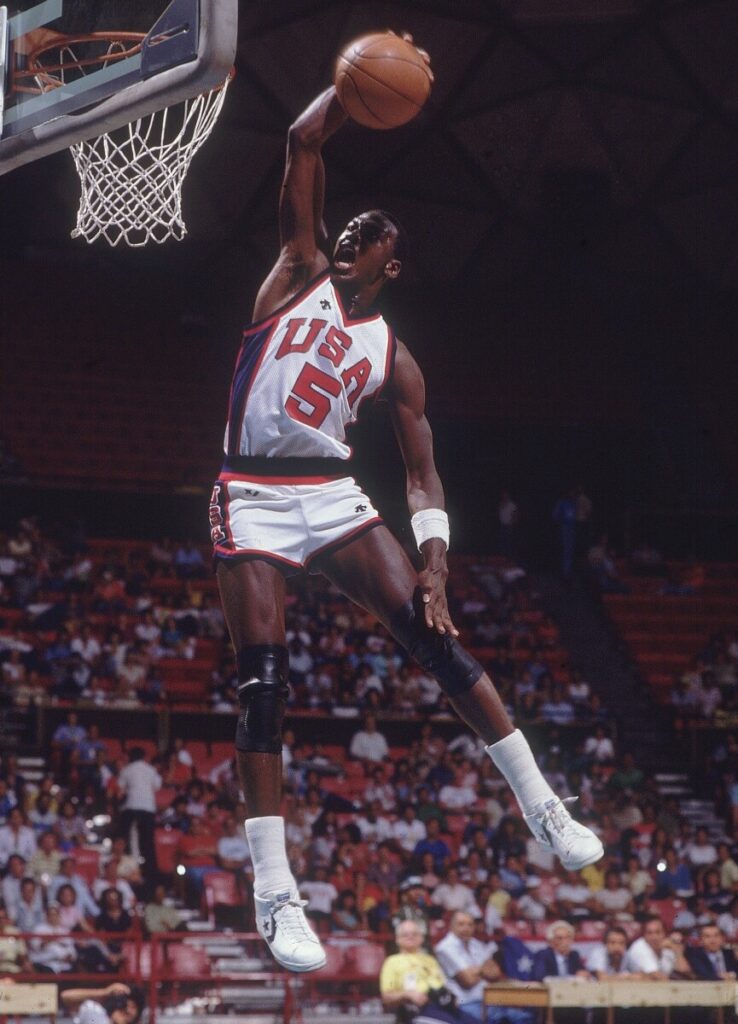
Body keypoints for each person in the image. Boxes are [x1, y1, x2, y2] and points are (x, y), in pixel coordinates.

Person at [211, 52, 602, 974]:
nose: (358, 232)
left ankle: (542, 804)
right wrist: (352, 87)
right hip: (251, 494)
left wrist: (435, 562)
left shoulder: (395, 355)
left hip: (331, 493)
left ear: (394, 266)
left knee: (435, 640)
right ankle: (274, 889)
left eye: (376, 235)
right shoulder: (294, 271)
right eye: (354, 225)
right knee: (263, 682)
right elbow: (302, 139)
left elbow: (423, 475)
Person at [434, 911, 531, 1023]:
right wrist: (483, 968)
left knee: (523, 1017)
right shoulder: (445, 948)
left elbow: (495, 972)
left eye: (470, 925)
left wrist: (475, 971)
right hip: (464, 1003)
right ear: (451, 926)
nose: (466, 928)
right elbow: (467, 981)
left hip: (489, 1000)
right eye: (461, 924)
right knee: (501, 1019)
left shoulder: (475, 943)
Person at [380, 919, 479, 1024]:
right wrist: (407, 994)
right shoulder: (391, 962)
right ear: (397, 939)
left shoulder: (430, 960)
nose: (410, 936)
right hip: (417, 1009)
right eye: (405, 934)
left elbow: (442, 984)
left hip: (443, 1004)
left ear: (421, 938)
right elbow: (386, 997)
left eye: (415, 934)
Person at [116, 746, 161, 888]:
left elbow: (120, 788)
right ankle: (150, 878)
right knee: (148, 845)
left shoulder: (127, 770)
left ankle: (132, 871)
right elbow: (157, 786)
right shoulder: (151, 769)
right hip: (148, 810)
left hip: (131, 809)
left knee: (128, 842)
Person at [60, 983, 144, 1024]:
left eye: (133, 1007)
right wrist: (104, 992)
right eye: (124, 1005)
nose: (127, 1010)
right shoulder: (97, 1014)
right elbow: (65, 996)